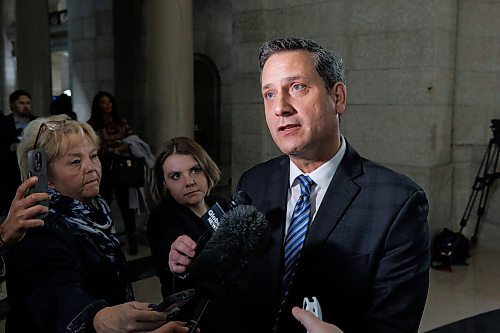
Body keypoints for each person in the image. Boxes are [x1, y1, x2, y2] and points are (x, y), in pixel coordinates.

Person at [203, 37, 429, 332]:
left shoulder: (398, 203)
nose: (280, 108)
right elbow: (234, 285)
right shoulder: (254, 182)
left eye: (297, 88)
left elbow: (394, 326)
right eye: (269, 95)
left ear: (338, 97)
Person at [5, 115, 187, 332]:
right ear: (45, 177)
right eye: (75, 162)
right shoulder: (40, 224)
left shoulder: (94, 210)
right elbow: (56, 290)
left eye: (93, 156)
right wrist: (99, 317)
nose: (91, 167)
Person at [147, 137, 222, 298]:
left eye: (195, 170)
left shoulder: (220, 203)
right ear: (164, 183)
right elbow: (171, 252)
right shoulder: (162, 219)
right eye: (175, 176)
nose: (189, 182)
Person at [88, 91, 139, 255]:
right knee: (103, 203)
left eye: (109, 102)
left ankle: (133, 240)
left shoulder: (120, 121)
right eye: (103, 102)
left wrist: (118, 148)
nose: (107, 105)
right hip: (104, 168)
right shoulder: (93, 124)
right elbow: (93, 145)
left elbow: (131, 140)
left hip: (122, 166)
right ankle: (104, 239)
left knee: (126, 205)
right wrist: (111, 148)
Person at [0, 90, 37, 218]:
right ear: (12, 105)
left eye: (28, 103)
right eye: (21, 103)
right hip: (9, 172)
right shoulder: (4, 123)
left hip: (32, 170)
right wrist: (11, 147)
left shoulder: (36, 122)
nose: (26, 106)